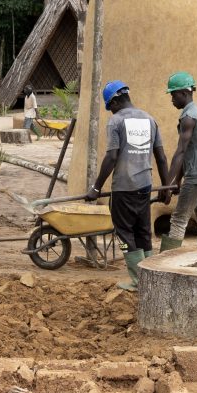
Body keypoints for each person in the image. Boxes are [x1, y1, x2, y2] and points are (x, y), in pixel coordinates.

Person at [85, 80, 171, 291]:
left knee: (124, 233)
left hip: (124, 188)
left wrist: (96, 187)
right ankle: (150, 279)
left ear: (115, 102)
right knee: (143, 231)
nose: (111, 111)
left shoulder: (116, 121)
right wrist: (166, 187)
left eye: (110, 106)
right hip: (145, 186)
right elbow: (161, 157)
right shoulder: (150, 119)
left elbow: (111, 157)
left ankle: (138, 280)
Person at [163, 71, 197, 251]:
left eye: (173, 94)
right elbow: (188, 153)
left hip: (195, 176)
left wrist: (166, 186)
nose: (172, 99)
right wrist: (177, 180)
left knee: (179, 219)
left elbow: (180, 152)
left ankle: (166, 262)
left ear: (184, 93)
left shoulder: (188, 118)